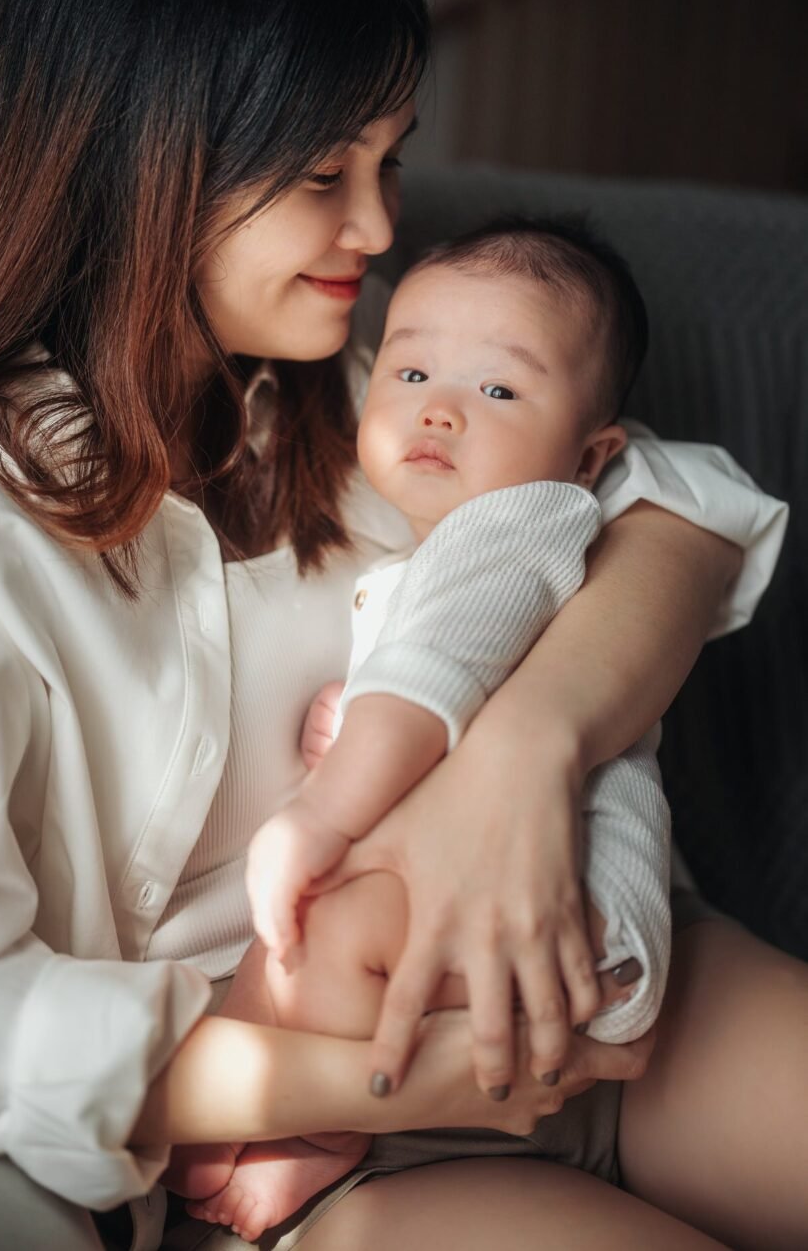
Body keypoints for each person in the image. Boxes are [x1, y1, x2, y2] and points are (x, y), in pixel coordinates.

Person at [0, 0, 801, 1251]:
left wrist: (526, 753)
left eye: (392, 159)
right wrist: (398, 1079)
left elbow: (681, 509)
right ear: (151, 166)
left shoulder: (375, 373)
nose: (382, 224)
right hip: (313, 1131)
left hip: (603, 950)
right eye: (328, 174)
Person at [178, 217, 678, 1242]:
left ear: (589, 455)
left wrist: (319, 812)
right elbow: (433, 689)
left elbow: (435, 674)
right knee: (310, 946)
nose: (441, 411)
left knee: (310, 938)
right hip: (546, 917)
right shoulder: (452, 551)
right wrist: (358, 726)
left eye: (498, 391)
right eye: (410, 375)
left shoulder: (514, 525)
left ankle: (313, 1136)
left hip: (574, 918)